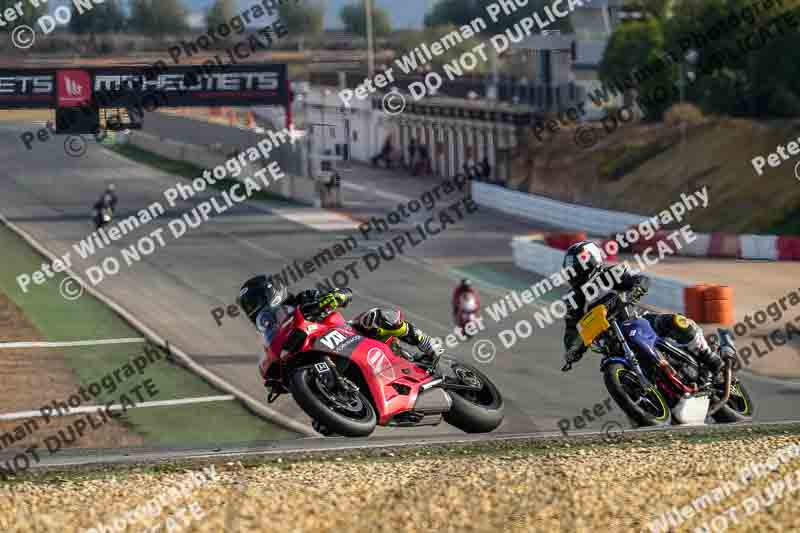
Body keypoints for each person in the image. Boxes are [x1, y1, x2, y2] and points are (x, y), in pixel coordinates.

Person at [561, 241, 723, 380]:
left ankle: (708, 356)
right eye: (570, 268)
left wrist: (637, 289)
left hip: (637, 320)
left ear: (592, 260)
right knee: (614, 372)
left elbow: (640, 280)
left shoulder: (611, 274)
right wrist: (572, 350)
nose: (573, 271)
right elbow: (571, 331)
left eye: (576, 266)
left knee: (677, 322)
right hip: (611, 344)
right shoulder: (573, 300)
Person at [237, 277, 444, 377]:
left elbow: (342, 293)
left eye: (254, 301)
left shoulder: (303, 299)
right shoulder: (271, 332)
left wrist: (335, 296)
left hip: (345, 334)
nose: (253, 308)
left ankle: (426, 344)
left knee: (375, 318)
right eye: (249, 306)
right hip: (313, 351)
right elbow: (271, 359)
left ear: (270, 292)